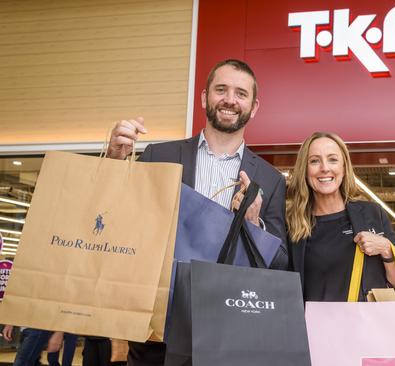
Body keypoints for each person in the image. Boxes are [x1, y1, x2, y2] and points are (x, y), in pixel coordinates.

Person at [107, 59, 288, 365]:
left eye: (240, 93)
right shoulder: (158, 155)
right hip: (157, 329)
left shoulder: (269, 179)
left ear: (253, 107)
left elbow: (281, 260)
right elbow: (115, 220)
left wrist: (254, 224)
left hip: (230, 329)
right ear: (205, 97)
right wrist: (113, 160)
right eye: (221, 89)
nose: (230, 99)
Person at [286, 132, 395, 301]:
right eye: (314, 161)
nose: (324, 168)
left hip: (366, 324)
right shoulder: (292, 223)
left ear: (344, 168)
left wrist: (386, 248)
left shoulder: (372, 213)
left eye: (333, 159)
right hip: (315, 326)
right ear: (305, 170)